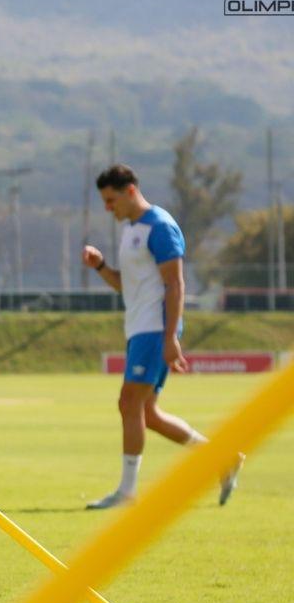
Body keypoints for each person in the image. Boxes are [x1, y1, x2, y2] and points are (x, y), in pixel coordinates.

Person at [81, 164, 243, 510]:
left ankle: (126, 493)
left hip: (155, 329)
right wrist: (101, 266)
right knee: (147, 413)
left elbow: (175, 284)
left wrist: (170, 337)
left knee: (129, 404)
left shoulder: (160, 227)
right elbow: (127, 286)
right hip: (139, 328)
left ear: (130, 191)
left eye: (111, 200)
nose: (108, 208)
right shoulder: (131, 230)